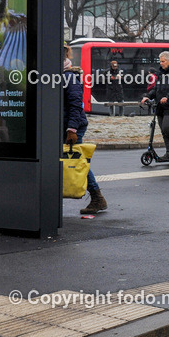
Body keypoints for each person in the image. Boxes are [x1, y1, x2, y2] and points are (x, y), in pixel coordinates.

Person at [64, 46, 106, 214]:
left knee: (77, 161)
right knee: (71, 160)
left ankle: (97, 197)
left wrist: (71, 129)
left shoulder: (69, 77)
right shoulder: (57, 76)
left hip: (73, 125)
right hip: (65, 124)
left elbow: (75, 104)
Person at [141, 51, 169, 159]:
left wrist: (168, 97)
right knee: (163, 130)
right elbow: (156, 89)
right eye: (160, 61)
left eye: (163, 61)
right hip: (160, 105)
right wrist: (148, 96)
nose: (161, 63)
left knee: (167, 127)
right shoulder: (161, 73)